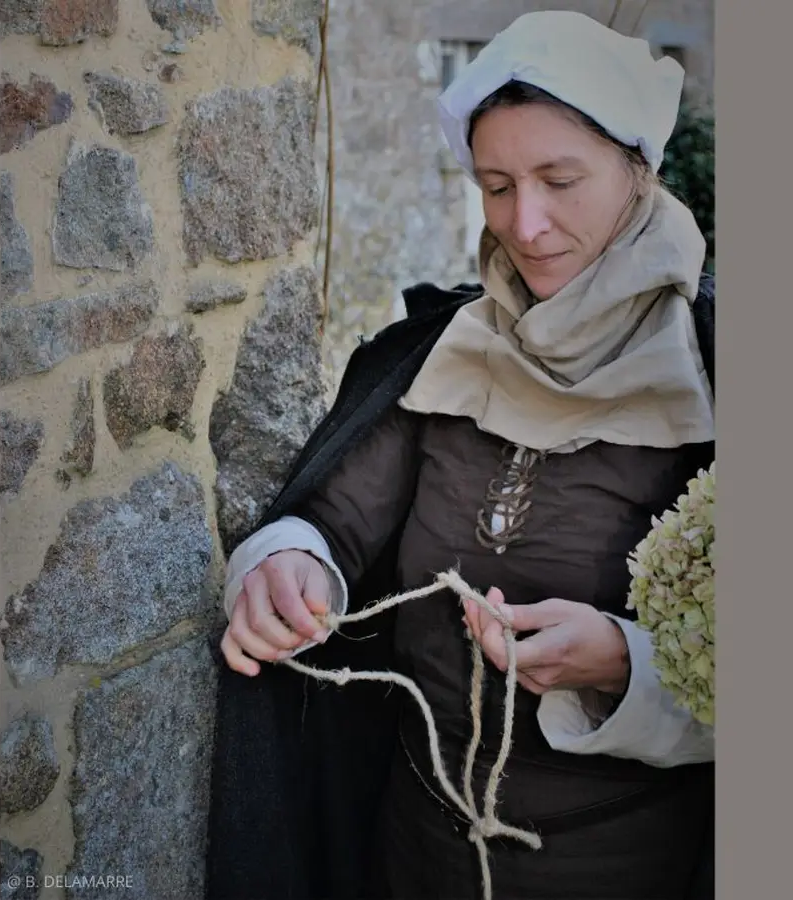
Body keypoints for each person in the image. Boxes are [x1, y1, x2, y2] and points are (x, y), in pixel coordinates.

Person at [206, 10, 715, 900]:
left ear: (640, 170)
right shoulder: (438, 352)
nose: (527, 223)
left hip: (626, 869)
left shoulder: (717, 373)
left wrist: (625, 663)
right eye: (495, 185)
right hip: (414, 854)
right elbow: (333, 519)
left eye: (561, 179)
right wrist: (288, 562)